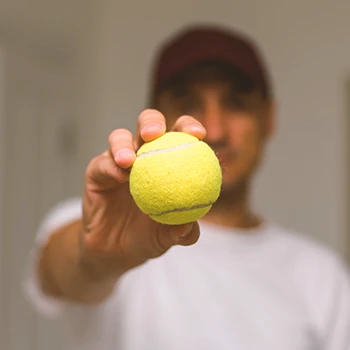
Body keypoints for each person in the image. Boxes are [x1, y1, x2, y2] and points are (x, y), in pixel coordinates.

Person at [23, 25, 350, 350]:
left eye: (236, 103)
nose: (217, 129)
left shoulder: (323, 278)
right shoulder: (101, 220)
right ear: (157, 115)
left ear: (269, 118)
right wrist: (96, 258)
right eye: (189, 102)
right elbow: (62, 272)